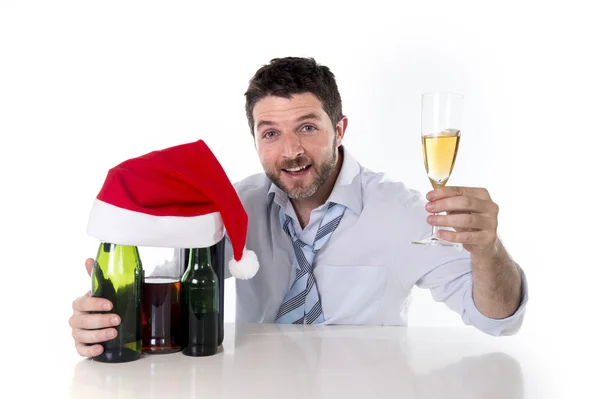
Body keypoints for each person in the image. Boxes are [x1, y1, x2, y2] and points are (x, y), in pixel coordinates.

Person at [69, 57, 528, 358]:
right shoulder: (232, 208)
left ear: (340, 128)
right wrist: (105, 316)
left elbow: (498, 320)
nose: (290, 151)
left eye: (307, 127)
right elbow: (168, 289)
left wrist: (488, 251)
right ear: (255, 139)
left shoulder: (402, 212)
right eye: (270, 133)